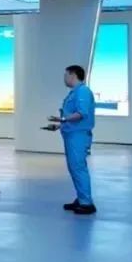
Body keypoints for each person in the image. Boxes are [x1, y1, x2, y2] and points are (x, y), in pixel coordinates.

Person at [48, 65, 97, 215]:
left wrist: (62, 119)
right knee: (74, 168)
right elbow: (72, 115)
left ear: (73, 75)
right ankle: (81, 198)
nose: (64, 78)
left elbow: (81, 114)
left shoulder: (83, 92)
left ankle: (86, 203)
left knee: (78, 168)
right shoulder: (74, 93)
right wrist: (59, 125)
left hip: (78, 136)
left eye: (66, 75)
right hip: (72, 134)